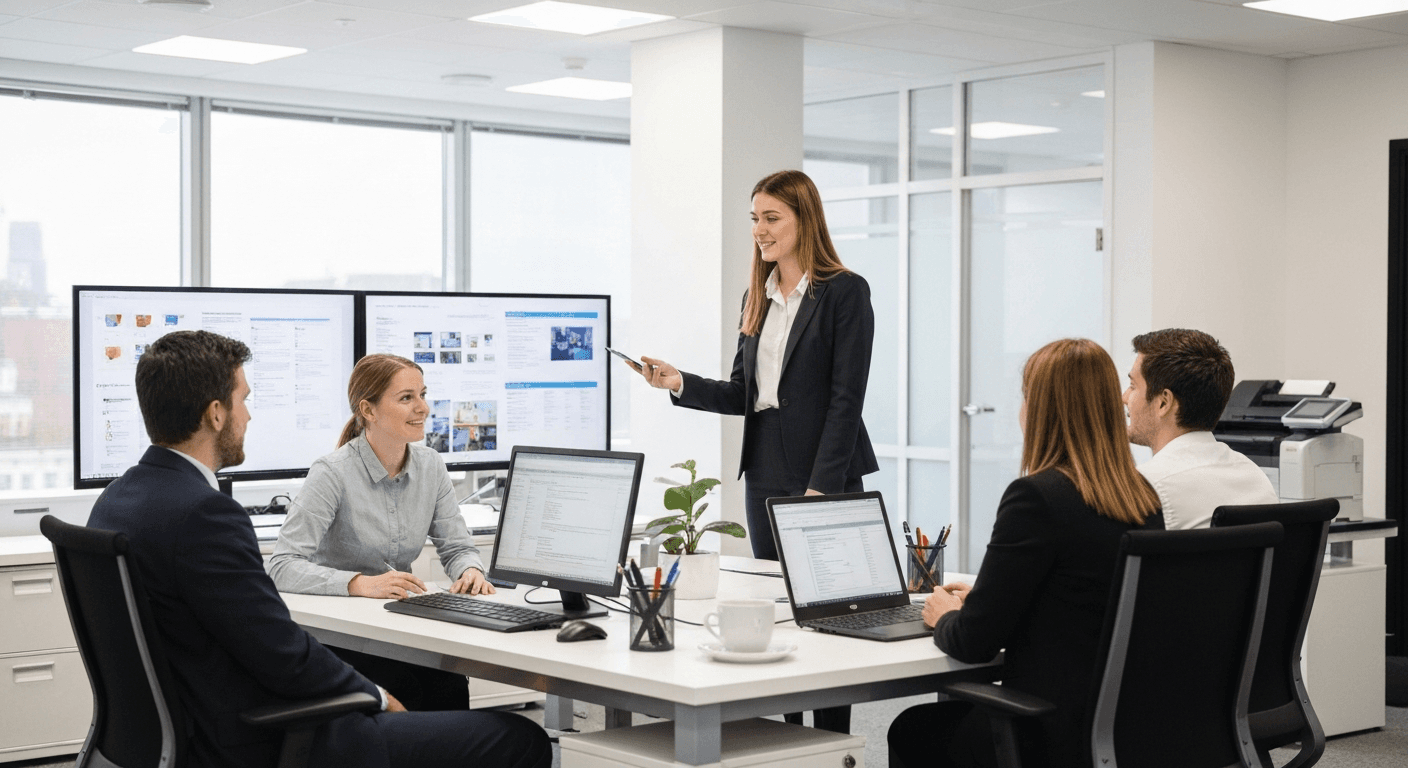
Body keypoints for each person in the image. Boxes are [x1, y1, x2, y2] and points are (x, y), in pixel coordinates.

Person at [87, 331, 550, 768]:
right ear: (215, 414)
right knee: (520, 738)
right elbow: (281, 651)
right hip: (257, 738)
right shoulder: (206, 515)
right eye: (243, 400)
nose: (248, 415)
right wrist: (373, 694)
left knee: (440, 683)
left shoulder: (118, 501)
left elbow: (253, 640)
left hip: (171, 734)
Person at [887, 338, 1164, 768]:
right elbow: (1076, 600)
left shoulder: (1036, 498)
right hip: (1122, 730)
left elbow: (974, 642)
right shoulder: (1143, 498)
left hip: (1043, 732)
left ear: (1042, 410)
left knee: (912, 728)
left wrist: (945, 615)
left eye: (1026, 397)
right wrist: (979, 601)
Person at [634, 169, 878, 561]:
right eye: (755, 218)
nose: (759, 230)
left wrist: (821, 487)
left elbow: (846, 402)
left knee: (823, 586)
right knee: (770, 582)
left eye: (771, 218)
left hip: (823, 464)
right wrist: (678, 381)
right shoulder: (756, 296)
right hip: (764, 466)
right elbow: (740, 392)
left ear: (805, 220)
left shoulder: (845, 292)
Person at [268, 353, 494, 711]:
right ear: (368, 410)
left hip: (397, 625)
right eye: (406, 398)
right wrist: (359, 583)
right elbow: (281, 565)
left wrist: (470, 569)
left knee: (449, 682)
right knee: (410, 688)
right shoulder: (332, 472)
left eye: (422, 394)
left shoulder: (431, 465)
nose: (422, 407)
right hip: (343, 635)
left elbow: (456, 547)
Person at [1125, 328, 1278, 529]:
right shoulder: (1256, 479)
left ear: (1164, 403)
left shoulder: (1145, 487)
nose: (1124, 397)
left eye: (1133, 386)